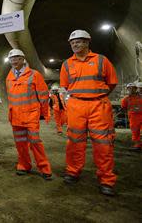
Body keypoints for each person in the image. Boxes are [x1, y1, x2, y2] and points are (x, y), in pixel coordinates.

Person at [60, 29, 118, 196]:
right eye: (72, 43)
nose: (75, 45)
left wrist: (97, 95)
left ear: (87, 42)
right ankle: (73, 171)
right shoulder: (66, 64)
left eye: (78, 41)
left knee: (103, 144)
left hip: (98, 105)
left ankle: (107, 180)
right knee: (74, 142)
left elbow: (112, 82)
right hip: (76, 106)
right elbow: (65, 86)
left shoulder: (101, 60)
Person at [6, 49, 52, 180]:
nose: (14, 61)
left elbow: (43, 96)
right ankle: (24, 165)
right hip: (16, 117)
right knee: (20, 143)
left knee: (35, 142)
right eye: (11, 59)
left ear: (22, 59)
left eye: (16, 58)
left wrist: (45, 114)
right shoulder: (9, 77)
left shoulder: (34, 75)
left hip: (31, 115)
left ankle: (44, 168)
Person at [121, 83, 142, 151]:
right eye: (129, 88)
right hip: (133, 117)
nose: (131, 89)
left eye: (132, 88)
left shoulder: (141, 97)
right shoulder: (125, 99)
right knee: (135, 131)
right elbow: (123, 108)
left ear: (136, 89)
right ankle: (137, 145)